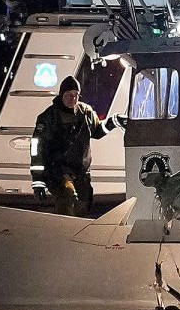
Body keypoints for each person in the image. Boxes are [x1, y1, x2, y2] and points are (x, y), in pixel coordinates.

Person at [30, 75, 127, 216]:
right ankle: (64, 230)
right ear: (62, 95)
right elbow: (37, 148)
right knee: (67, 195)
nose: (73, 99)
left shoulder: (86, 112)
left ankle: (79, 232)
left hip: (81, 171)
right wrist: (38, 180)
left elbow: (97, 131)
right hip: (58, 171)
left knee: (85, 202)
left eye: (76, 95)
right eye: (69, 95)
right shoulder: (48, 117)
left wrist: (113, 121)